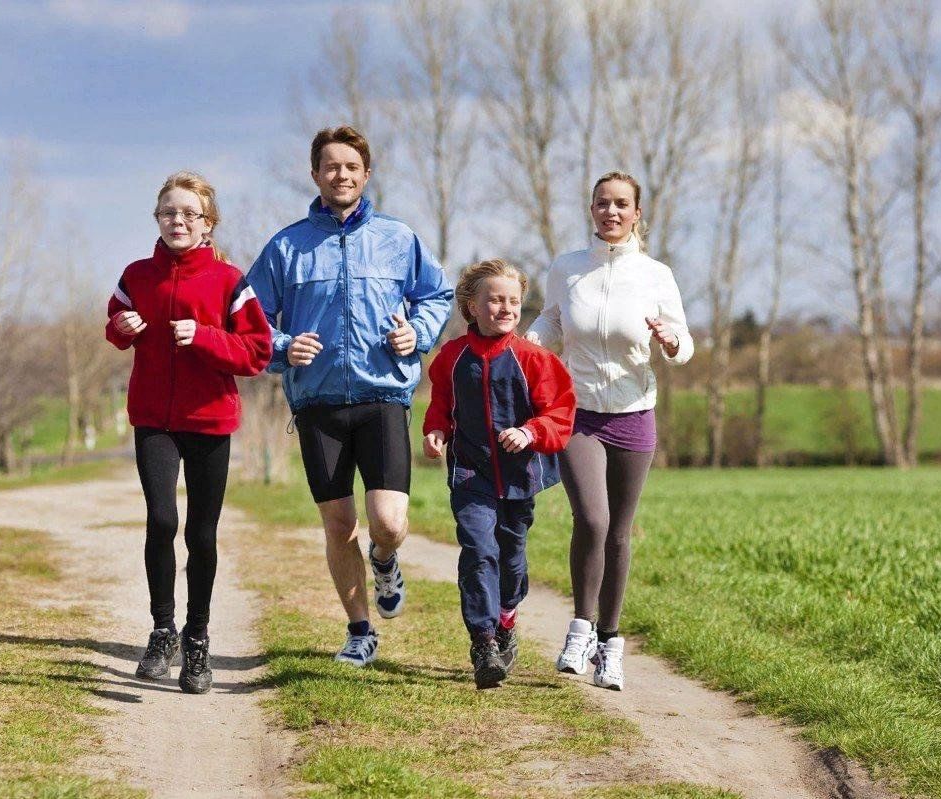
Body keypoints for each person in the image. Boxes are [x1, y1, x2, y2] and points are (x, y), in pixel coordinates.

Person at [246, 126, 453, 667]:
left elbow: (437, 294)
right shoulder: (286, 246)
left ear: (366, 174)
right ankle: (360, 630)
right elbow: (248, 320)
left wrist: (418, 334)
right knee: (339, 525)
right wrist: (283, 346)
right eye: (331, 166)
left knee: (389, 523)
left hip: (382, 394)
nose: (341, 175)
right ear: (315, 174)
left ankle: (385, 559)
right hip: (317, 405)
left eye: (351, 167)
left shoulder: (397, 237)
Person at [526, 171, 693, 691]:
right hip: (577, 413)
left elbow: (684, 341)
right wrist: (525, 345)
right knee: (592, 520)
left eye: (622, 204)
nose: (611, 212)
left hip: (635, 412)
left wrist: (671, 342)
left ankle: (610, 644)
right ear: (592, 210)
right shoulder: (568, 268)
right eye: (603, 203)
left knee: (619, 530)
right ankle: (580, 628)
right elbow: (552, 323)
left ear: (637, 213)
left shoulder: (655, 275)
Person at [105, 172, 272, 694]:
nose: (178, 221)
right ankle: (162, 630)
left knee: (201, 533)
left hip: (209, 419)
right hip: (154, 417)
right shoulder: (137, 274)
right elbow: (114, 321)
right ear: (157, 219)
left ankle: (197, 640)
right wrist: (120, 329)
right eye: (168, 213)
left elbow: (257, 352)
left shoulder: (229, 281)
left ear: (207, 223)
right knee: (161, 519)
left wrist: (204, 337)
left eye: (189, 214)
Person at [422, 259, 575, 688]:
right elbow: (441, 405)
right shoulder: (452, 357)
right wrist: (436, 431)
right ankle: (484, 639)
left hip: (519, 476)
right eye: (495, 299)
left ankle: (507, 618)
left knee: (510, 556)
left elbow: (560, 412)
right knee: (478, 550)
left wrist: (530, 432)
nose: (505, 308)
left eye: (513, 300)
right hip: (470, 474)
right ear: (472, 305)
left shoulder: (534, 358)